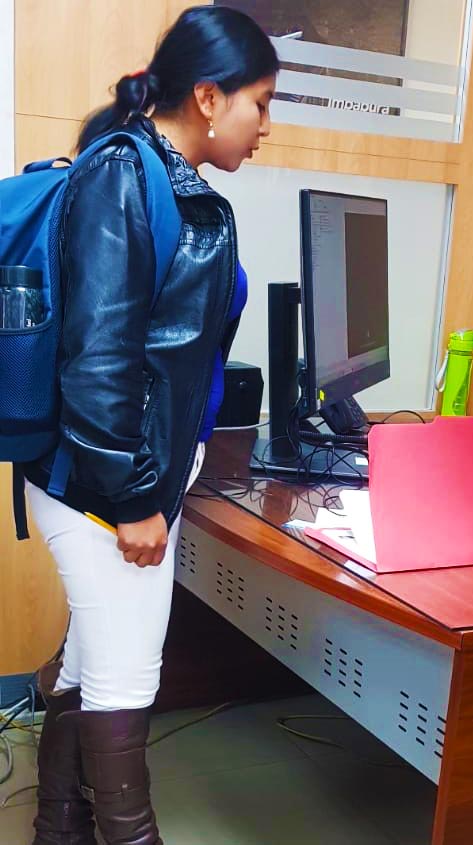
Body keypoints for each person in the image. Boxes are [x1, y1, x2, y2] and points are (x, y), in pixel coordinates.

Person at [23, 7, 278, 844]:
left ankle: (60, 828)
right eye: (259, 102)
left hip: (126, 478)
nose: (265, 126)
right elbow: (99, 359)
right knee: (125, 682)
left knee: (95, 666)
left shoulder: (169, 181)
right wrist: (134, 498)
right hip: (105, 486)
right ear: (208, 96)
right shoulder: (125, 176)